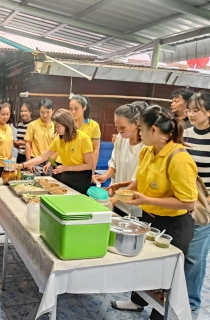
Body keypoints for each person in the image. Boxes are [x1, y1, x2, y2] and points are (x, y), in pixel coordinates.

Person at [110, 105, 198, 320]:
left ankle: (159, 316)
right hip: (150, 218)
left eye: (141, 129)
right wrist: (118, 194)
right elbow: (140, 181)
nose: (138, 134)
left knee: (164, 275)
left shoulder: (178, 158)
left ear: (155, 130)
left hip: (175, 225)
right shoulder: (149, 151)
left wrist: (147, 199)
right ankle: (136, 301)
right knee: (143, 265)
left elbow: (188, 202)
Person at [17, 109, 94, 195]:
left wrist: (66, 168)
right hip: (66, 175)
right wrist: (23, 165)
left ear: (66, 124)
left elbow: (89, 165)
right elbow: (42, 157)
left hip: (81, 178)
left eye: (58, 126)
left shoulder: (83, 138)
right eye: (55, 126)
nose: (56, 129)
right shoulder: (59, 138)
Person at [93, 102, 148, 217]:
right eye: (117, 127)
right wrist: (106, 176)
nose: (119, 131)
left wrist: (117, 198)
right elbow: (114, 162)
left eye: (123, 127)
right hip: (116, 198)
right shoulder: (120, 138)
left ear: (136, 124)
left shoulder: (147, 145)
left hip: (134, 203)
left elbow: (138, 180)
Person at [183, 92, 210, 311]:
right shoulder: (186, 133)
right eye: (189, 110)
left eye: (195, 110)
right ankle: (172, 297)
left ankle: (191, 302)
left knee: (195, 255)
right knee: (180, 250)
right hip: (183, 199)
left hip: (204, 204)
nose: (190, 114)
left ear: (208, 112)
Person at [68, 94, 101, 171]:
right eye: (70, 109)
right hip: (67, 166)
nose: (73, 112)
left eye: (76, 109)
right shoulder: (67, 124)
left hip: (84, 166)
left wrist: (92, 170)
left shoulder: (93, 125)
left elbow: (95, 150)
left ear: (84, 107)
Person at [24, 99, 55, 176]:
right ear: (39, 111)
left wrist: (51, 163)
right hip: (35, 160)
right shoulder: (32, 125)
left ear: (53, 111)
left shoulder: (55, 126)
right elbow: (28, 144)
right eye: (42, 112)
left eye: (48, 112)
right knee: (33, 186)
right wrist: (29, 162)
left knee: (48, 185)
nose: (45, 115)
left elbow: (57, 148)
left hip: (50, 162)